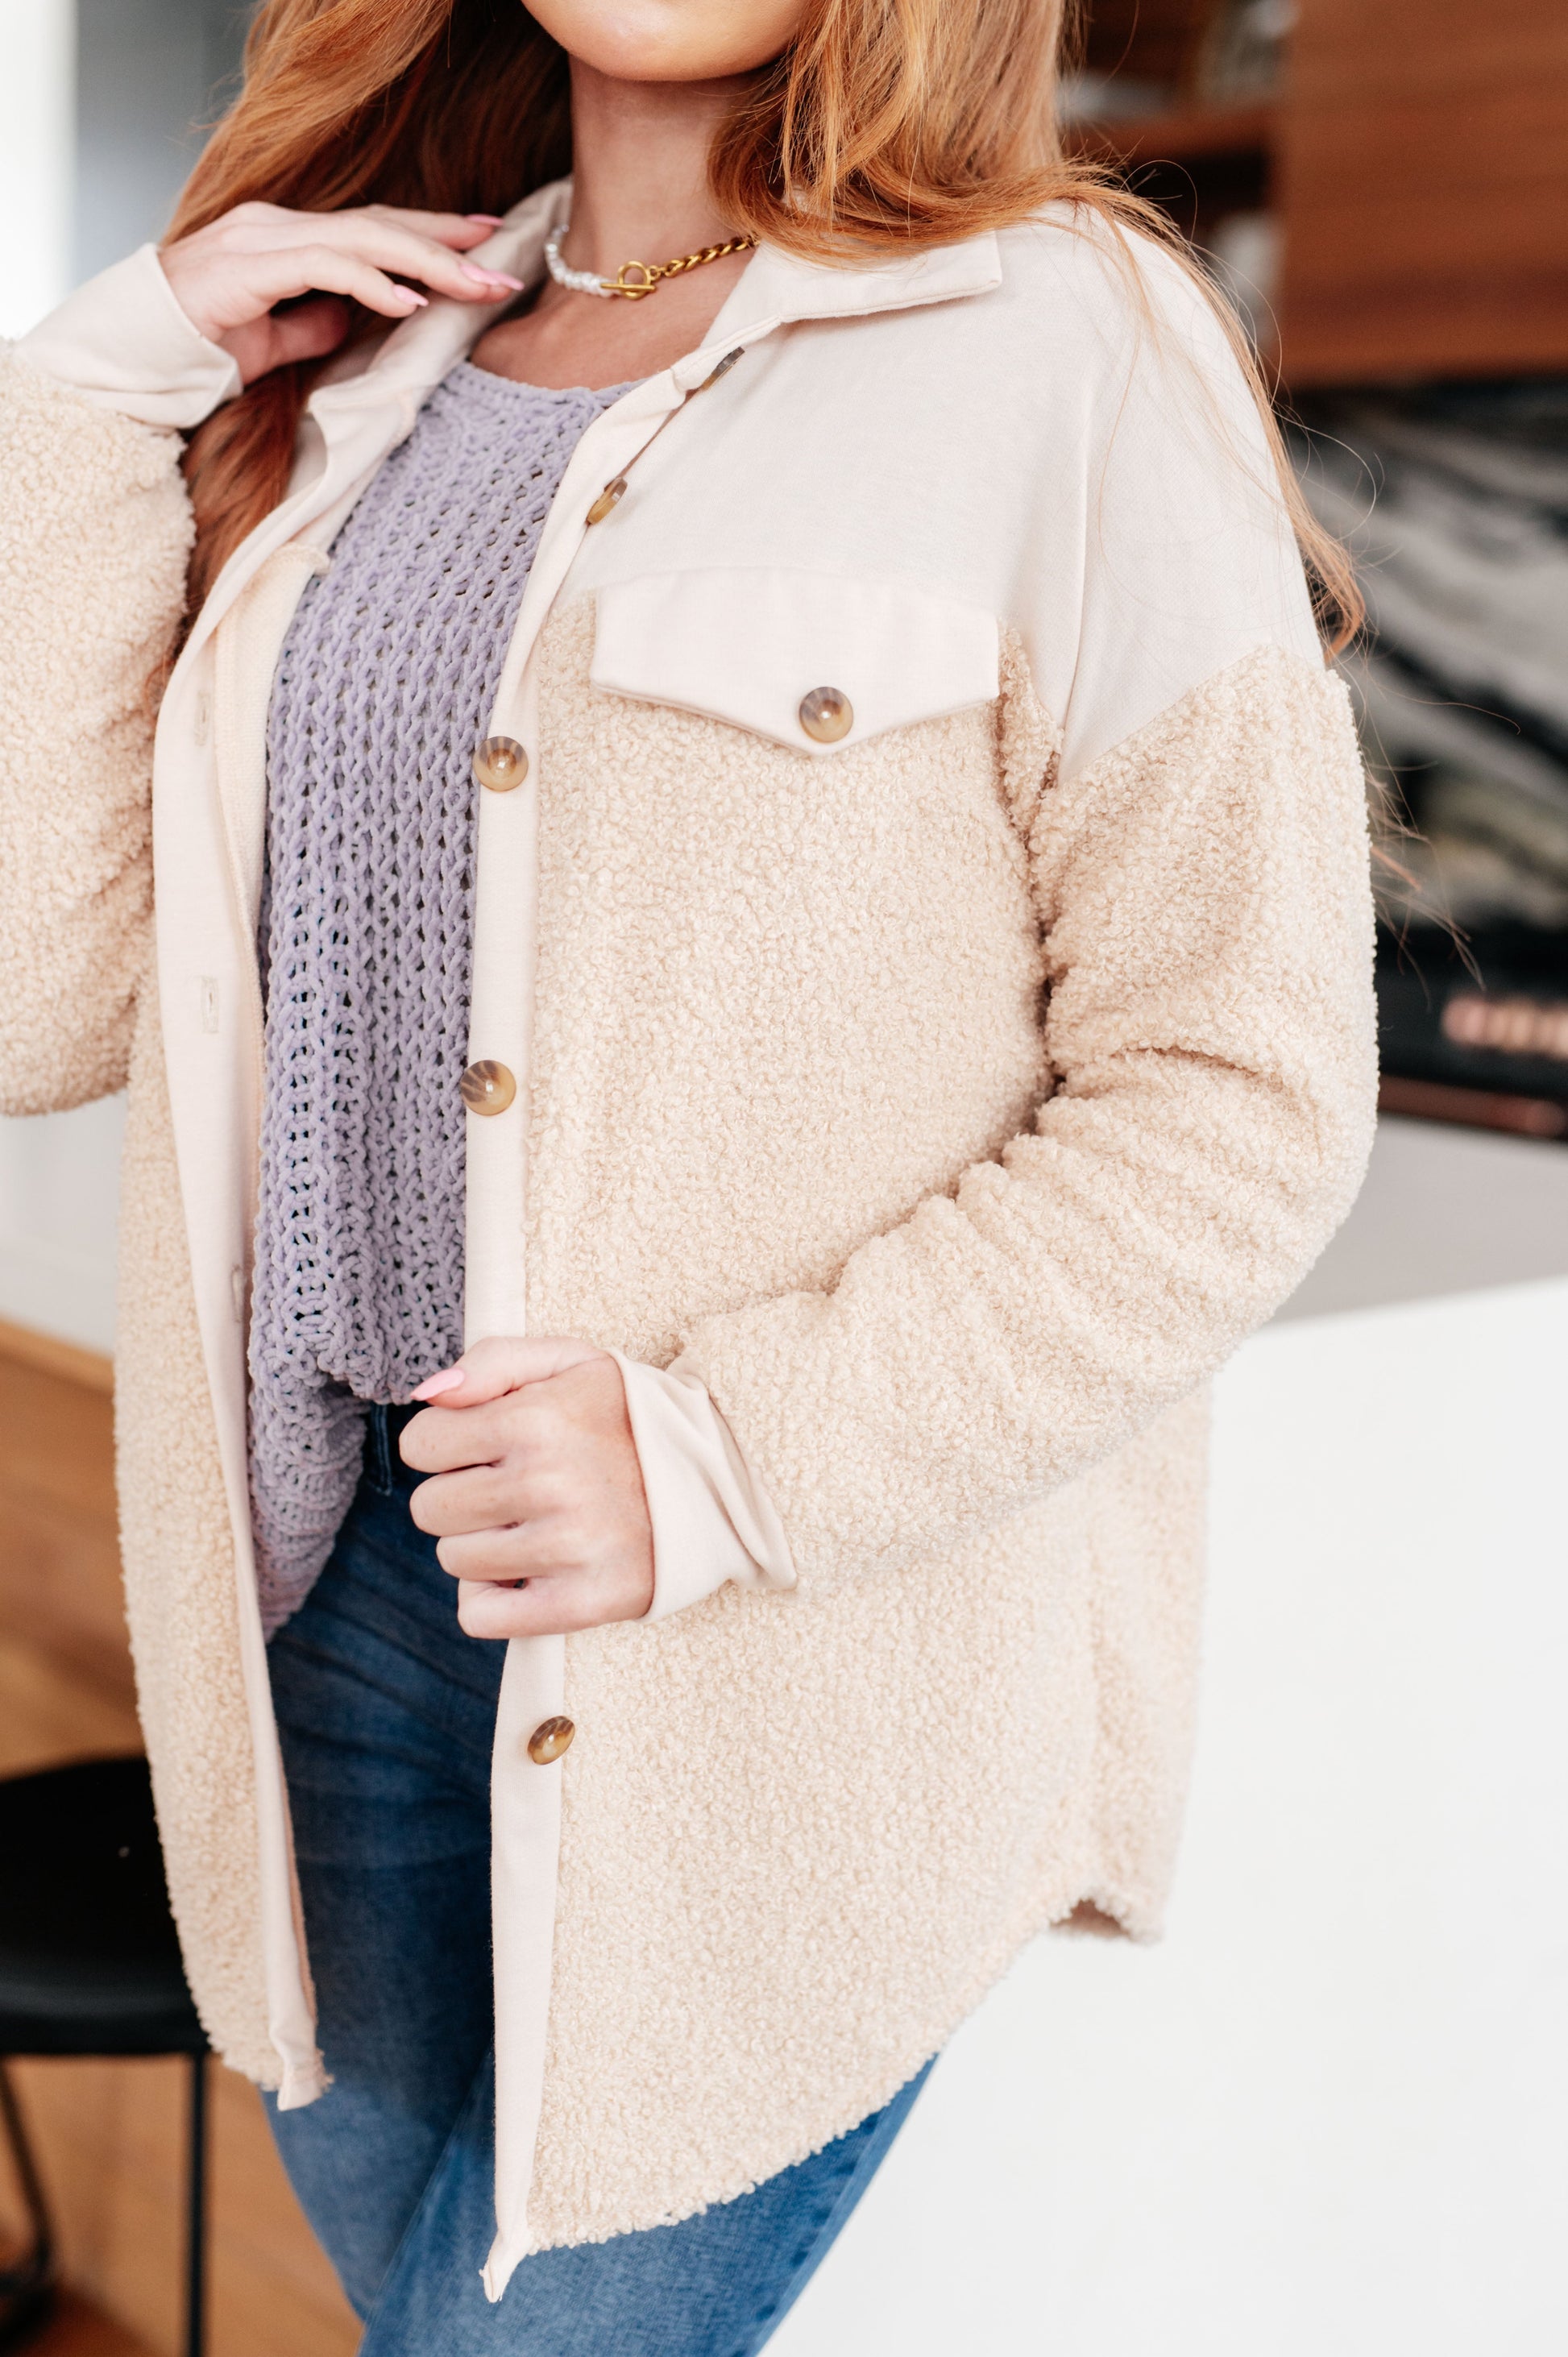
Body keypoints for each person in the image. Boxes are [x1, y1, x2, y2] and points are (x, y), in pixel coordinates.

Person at [0, 0, 1377, 2347]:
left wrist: (719, 1454)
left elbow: (1239, 1090)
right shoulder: (357, 368)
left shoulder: (1067, 340)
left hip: (773, 1678)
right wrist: (96, 384)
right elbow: (44, 1000)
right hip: (324, 1614)